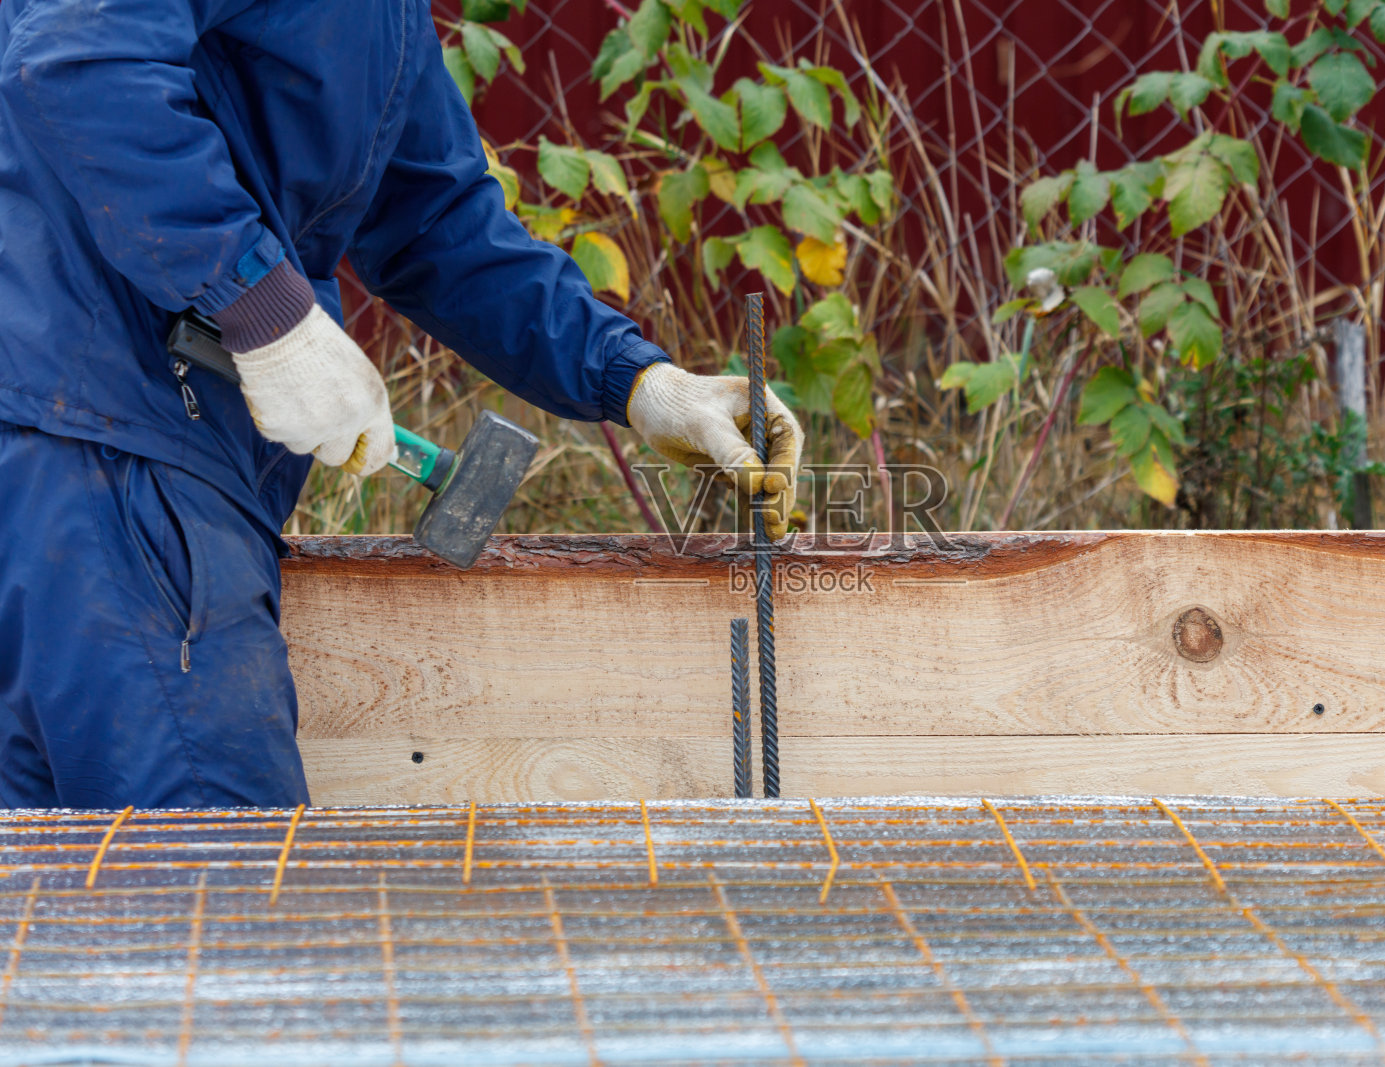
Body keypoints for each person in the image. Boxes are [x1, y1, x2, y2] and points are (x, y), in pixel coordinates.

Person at [0, 0, 802, 809]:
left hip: (121, 447)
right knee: (218, 893)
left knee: (53, 905)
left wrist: (637, 381)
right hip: (100, 447)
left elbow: (434, 220)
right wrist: (264, 311)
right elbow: (76, 65)